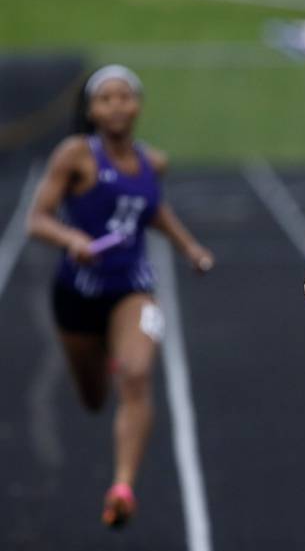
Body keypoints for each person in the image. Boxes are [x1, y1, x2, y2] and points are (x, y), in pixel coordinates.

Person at [26, 65, 214, 527]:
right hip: (78, 293)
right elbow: (37, 218)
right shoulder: (76, 156)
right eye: (106, 98)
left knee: (135, 376)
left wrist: (189, 246)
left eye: (125, 96)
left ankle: (122, 485)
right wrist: (72, 241)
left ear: (138, 105)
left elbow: (153, 209)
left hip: (132, 287)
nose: (116, 105)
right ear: (91, 109)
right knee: (93, 397)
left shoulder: (153, 162)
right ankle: (103, 361)